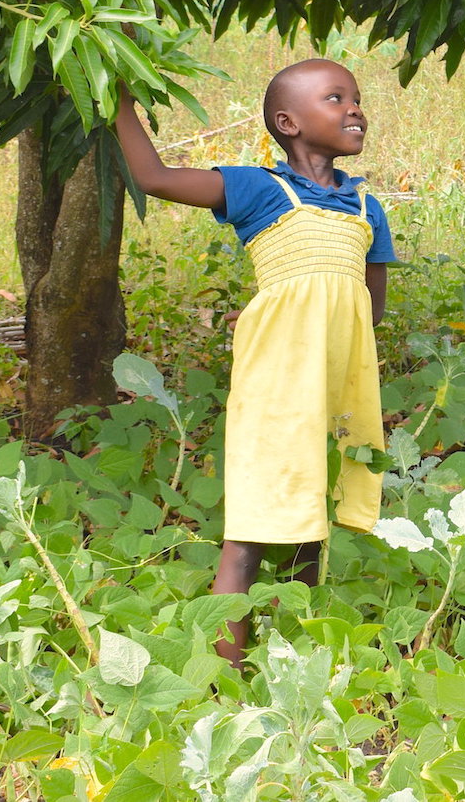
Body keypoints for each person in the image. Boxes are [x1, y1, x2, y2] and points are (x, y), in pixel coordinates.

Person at [115, 59, 396, 666]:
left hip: (336, 388)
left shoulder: (367, 206)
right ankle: (225, 677)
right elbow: (155, 176)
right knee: (249, 533)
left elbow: (369, 310)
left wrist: (315, 318)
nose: (354, 108)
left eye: (356, 98)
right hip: (276, 387)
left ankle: (294, 665)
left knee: (310, 522)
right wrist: (120, 104)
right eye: (335, 97)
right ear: (288, 122)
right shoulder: (260, 189)